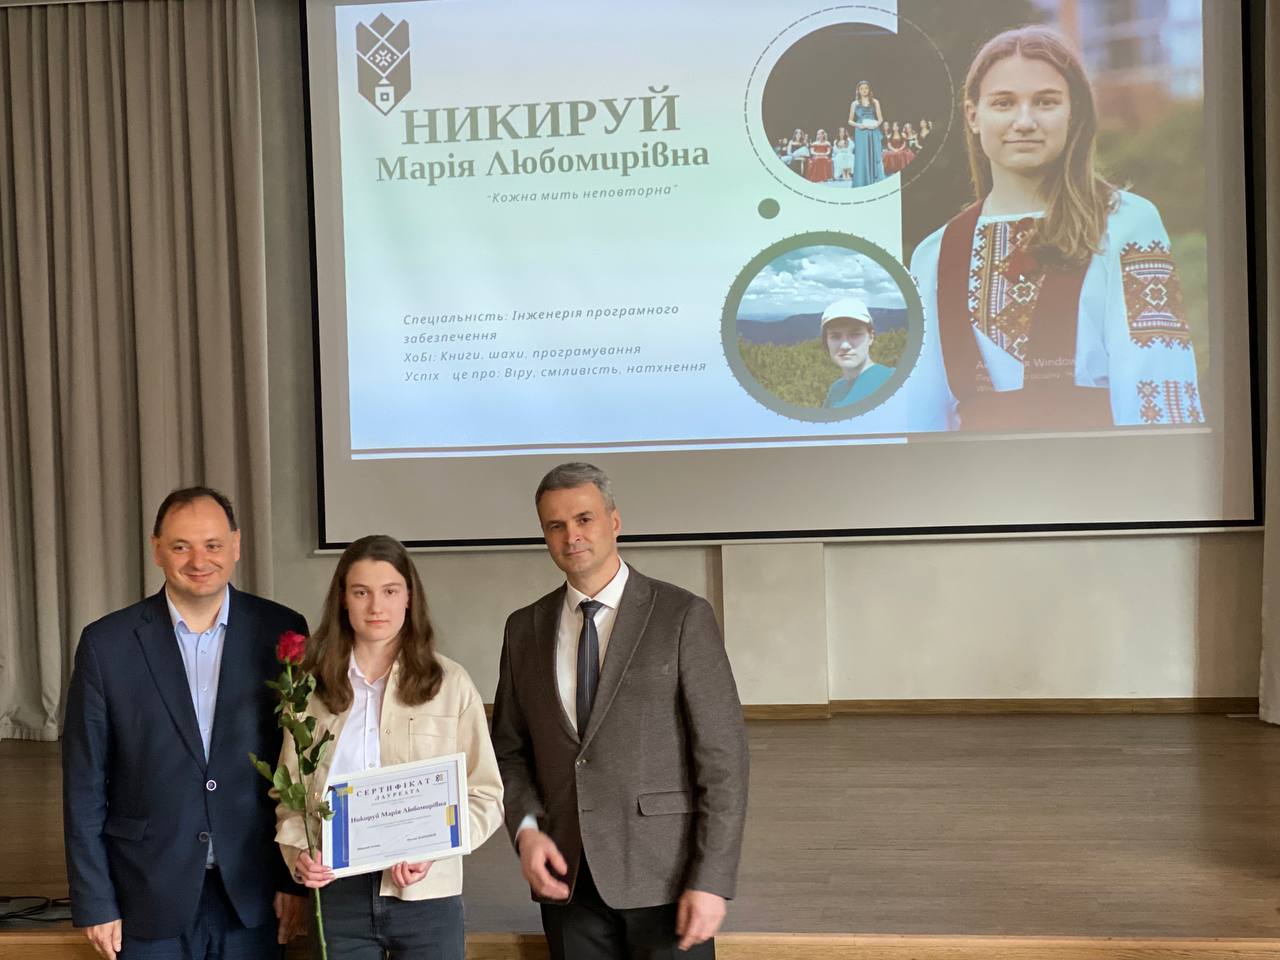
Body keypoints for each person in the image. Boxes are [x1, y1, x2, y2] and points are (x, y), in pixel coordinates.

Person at [491, 463, 749, 960]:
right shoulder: (523, 628)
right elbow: (509, 750)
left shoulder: (681, 615)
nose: (571, 536)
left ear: (614, 521)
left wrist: (712, 879)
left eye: (584, 519)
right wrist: (526, 832)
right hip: (567, 881)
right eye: (555, 525)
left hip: (668, 880)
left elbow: (723, 760)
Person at [908, 26, 1202, 430]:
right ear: (974, 116)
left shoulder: (1125, 224)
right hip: (976, 470)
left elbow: (1155, 376)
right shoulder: (935, 255)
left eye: (1045, 102)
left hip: (1099, 466)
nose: (1024, 121)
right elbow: (921, 413)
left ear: (1073, 112)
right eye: (1004, 103)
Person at [63, 486, 309, 959]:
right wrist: (94, 899)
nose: (199, 560)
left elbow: (299, 768)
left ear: (236, 545)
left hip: (254, 894)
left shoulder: (282, 631)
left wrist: (292, 880)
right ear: (156, 549)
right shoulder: (106, 644)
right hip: (145, 894)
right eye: (181, 546)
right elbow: (84, 783)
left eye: (213, 544)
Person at [278, 535, 504, 960]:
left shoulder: (450, 684)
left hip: (427, 895)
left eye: (390, 591)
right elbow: (288, 796)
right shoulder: (309, 689)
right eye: (361, 592)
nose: (376, 607)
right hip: (337, 895)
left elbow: (486, 795)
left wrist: (434, 849)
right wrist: (298, 853)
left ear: (409, 598)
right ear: (342, 599)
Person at [820, 298, 895, 408]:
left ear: (871, 337)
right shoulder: (835, 390)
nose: (844, 346)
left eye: (855, 334)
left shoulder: (891, 380)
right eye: (835, 336)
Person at [848, 80, 884, 187]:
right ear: (858, 91)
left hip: (873, 130)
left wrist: (875, 125)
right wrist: (859, 125)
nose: (864, 90)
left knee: (874, 153)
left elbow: (881, 119)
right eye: (861, 89)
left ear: (869, 90)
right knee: (862, 155)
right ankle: (862, 181)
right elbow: (849, 121)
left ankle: (874, 180)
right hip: (861, 131)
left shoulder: (875, 102)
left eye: (866, 88)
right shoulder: (855, 103)